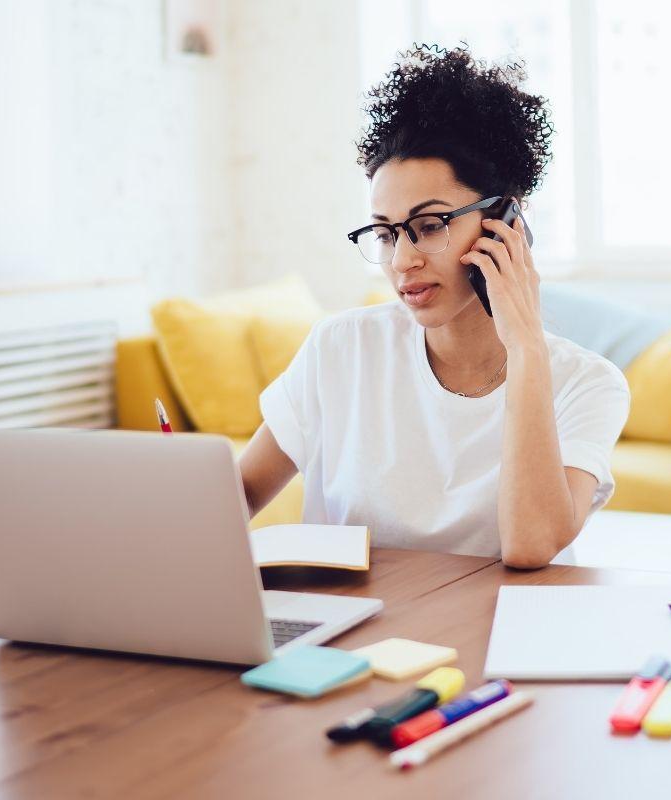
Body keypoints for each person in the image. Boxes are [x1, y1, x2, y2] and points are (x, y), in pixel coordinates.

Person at [237, 44, 631, 568]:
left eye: (429, 226)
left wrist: (528, 349)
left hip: (491, 641)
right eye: (385, 232)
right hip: (345, 640)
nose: (402, 260)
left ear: (507, 222)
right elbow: (236, 497)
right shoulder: (341, 348)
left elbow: (531, 543)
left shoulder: (587, 384)